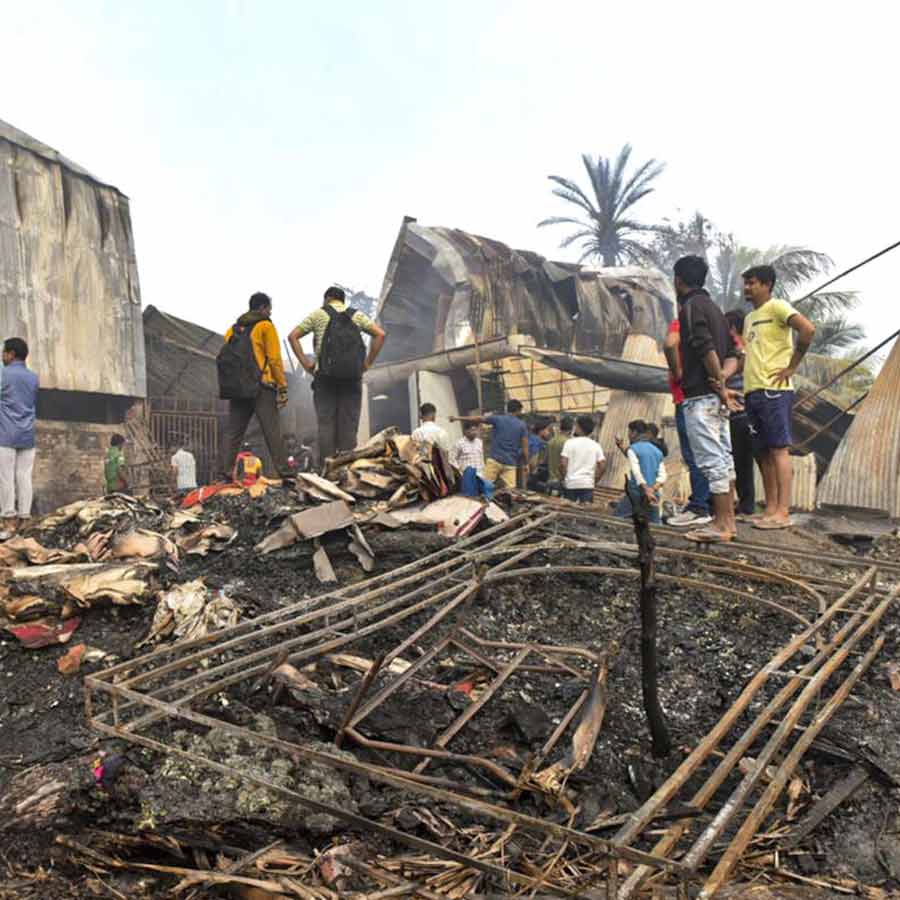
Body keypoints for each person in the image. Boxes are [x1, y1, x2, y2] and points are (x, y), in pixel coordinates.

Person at [737, 264, 815, 529]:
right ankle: (770, 508)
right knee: (761, 452)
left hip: (774, 390)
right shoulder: (749, 318)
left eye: (753, 283)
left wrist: (792, 366)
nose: (747, 287)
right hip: (752, 390)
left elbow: (808, 330)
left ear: (767, 284)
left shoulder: (779, 307)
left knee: (779, 449)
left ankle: (783, 511)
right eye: (746, 283)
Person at [669, 255, 740, 543]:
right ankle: (729, 522)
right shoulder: (716, 311)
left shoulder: (690, 307)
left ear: (678, 280)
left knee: (712, 461)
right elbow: (736, 354)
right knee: (724, 458)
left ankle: (721, 525)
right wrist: (722, 379)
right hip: (714, 397)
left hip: (701, 398)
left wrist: (718, 384)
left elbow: (703, 345)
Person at [289, 286, 386, 464]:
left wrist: (306, 364)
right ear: (342, 300)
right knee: (349, 424)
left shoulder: (318, 314)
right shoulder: (356, 315)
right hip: (352, 378)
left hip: (324, 378)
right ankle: (347, 468)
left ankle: (327, 469)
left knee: (326, 424)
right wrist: (367, 363)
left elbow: (293, 336)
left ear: (327, 299)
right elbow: (380, 334)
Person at [218, 292, 292, 481]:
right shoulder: (266, 326)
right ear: (262, 308)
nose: (270, 312)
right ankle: (285, 472)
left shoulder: (233, 329)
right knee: (272, 430)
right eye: (269, 308)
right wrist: (282, 386)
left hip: (239, 388)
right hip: (262, 386)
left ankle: (224, 473)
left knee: (233, 432)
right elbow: (275, 359)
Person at [663, 319, 712, 528]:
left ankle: (700, 506)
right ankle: (705, 503)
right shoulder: (709, 325)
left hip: (687, 399)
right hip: (699, 399)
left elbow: (670, 344)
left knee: (694, 456)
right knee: (703, 454)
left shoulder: (684, 321)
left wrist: (677, 372)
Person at [0, 338, 39, 534]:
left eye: (4, 352)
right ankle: (24, 518)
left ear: (11, 354)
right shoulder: (33, 377)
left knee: (6, 478)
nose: (2, 356)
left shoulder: (3, 374)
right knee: (24, 477)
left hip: (5, 434)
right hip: (27, 434)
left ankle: (8, 519)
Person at [724, 309, 757, 517]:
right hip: (747, 410)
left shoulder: (738, 349)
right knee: (744, 461)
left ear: (733, 327)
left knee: (738, 460)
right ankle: (745, 504)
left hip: (738, 410)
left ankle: (744, 505)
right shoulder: (751, 347)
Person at [451, 400, 529, 489]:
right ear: (518, 411)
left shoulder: (498, 419)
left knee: (484, 488)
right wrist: (526, 463)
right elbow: (525, 447)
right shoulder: (522, 425)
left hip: (494, 461)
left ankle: (484, 501)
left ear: (507, 409)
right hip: (510, 463)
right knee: (510, 491)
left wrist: (457, 418)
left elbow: (478, 418)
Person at [614, 420, 667, 523]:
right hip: (653, 495)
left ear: (634, 433)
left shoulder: (633, 449)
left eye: (629, 432)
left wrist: (646, 489)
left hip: (636, 493)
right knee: (655, 523)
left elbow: (636, 472)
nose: (628, 435)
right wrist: (652, 489)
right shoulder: (657, 451)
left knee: (617, 518)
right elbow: (663, 475)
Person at [560, 415, 606, 504]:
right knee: (585, 513)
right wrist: (594, 480)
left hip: (571, 485)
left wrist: (564, 478)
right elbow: (603, 466)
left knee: (568, 511)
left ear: (578, 427)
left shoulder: (569, 443)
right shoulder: (596, 445)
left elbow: (563, 464)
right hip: (587, 485)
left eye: (575, 425)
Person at [450, 422, 487, 497]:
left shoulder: (479, 442)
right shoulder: (459, 443)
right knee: (469, 500)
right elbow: (451, 459)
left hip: (480, 476)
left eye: (476, 430)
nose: (475, 432)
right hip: (467, 478)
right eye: (472, 430)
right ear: (466, 431)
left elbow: (481, 458)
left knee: (481, 499)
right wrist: (460, 472)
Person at [546, 416, 572, 495]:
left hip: (550, 480)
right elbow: (566, 464)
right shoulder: (569, 443)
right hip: (561, 482)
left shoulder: (551, 441)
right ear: (571, 429)